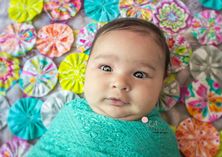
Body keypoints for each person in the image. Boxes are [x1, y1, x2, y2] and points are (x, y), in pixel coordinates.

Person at [27, 18, 180, 157]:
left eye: (139, 74)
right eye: (106, 68)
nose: (120, 83)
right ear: (86, 71)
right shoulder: (70, 116)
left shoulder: (160, 136)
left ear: (161, 83)